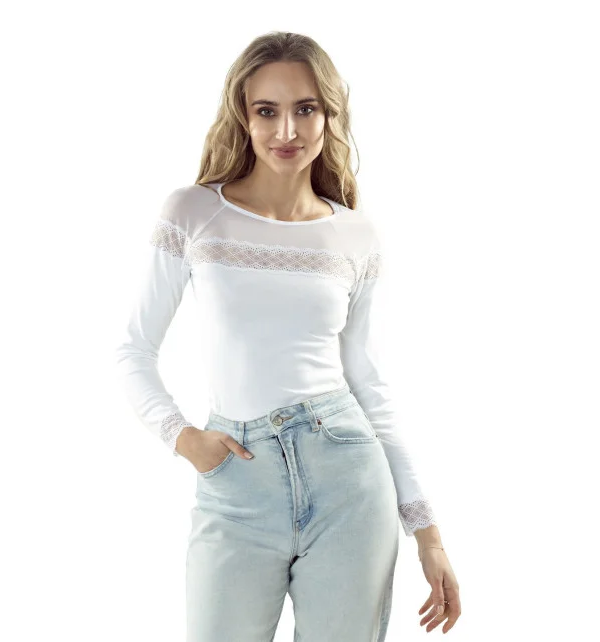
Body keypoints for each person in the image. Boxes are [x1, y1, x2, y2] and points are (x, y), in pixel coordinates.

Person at [114, 31, 461, 641]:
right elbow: (133, 350)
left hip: (349, 481)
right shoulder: (193, 213)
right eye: (266, 111)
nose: (287, 130)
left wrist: (427, 534)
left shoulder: (355, 235)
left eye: (305, 109)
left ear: (329, 114)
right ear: (243, 117)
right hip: (237, 481)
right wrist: (183, 438)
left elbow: (369, 383)